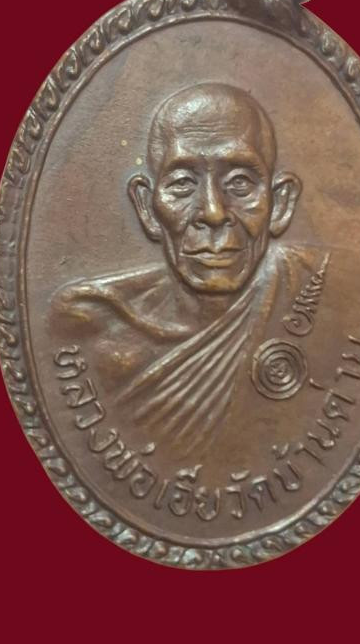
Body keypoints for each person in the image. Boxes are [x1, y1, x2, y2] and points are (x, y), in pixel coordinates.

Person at [52, 83, 324, 456]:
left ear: (280, 204)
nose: (213, 211)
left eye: (240, 183)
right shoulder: (92, 321)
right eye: (182, 183)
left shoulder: (328, 290)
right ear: (146, 208)